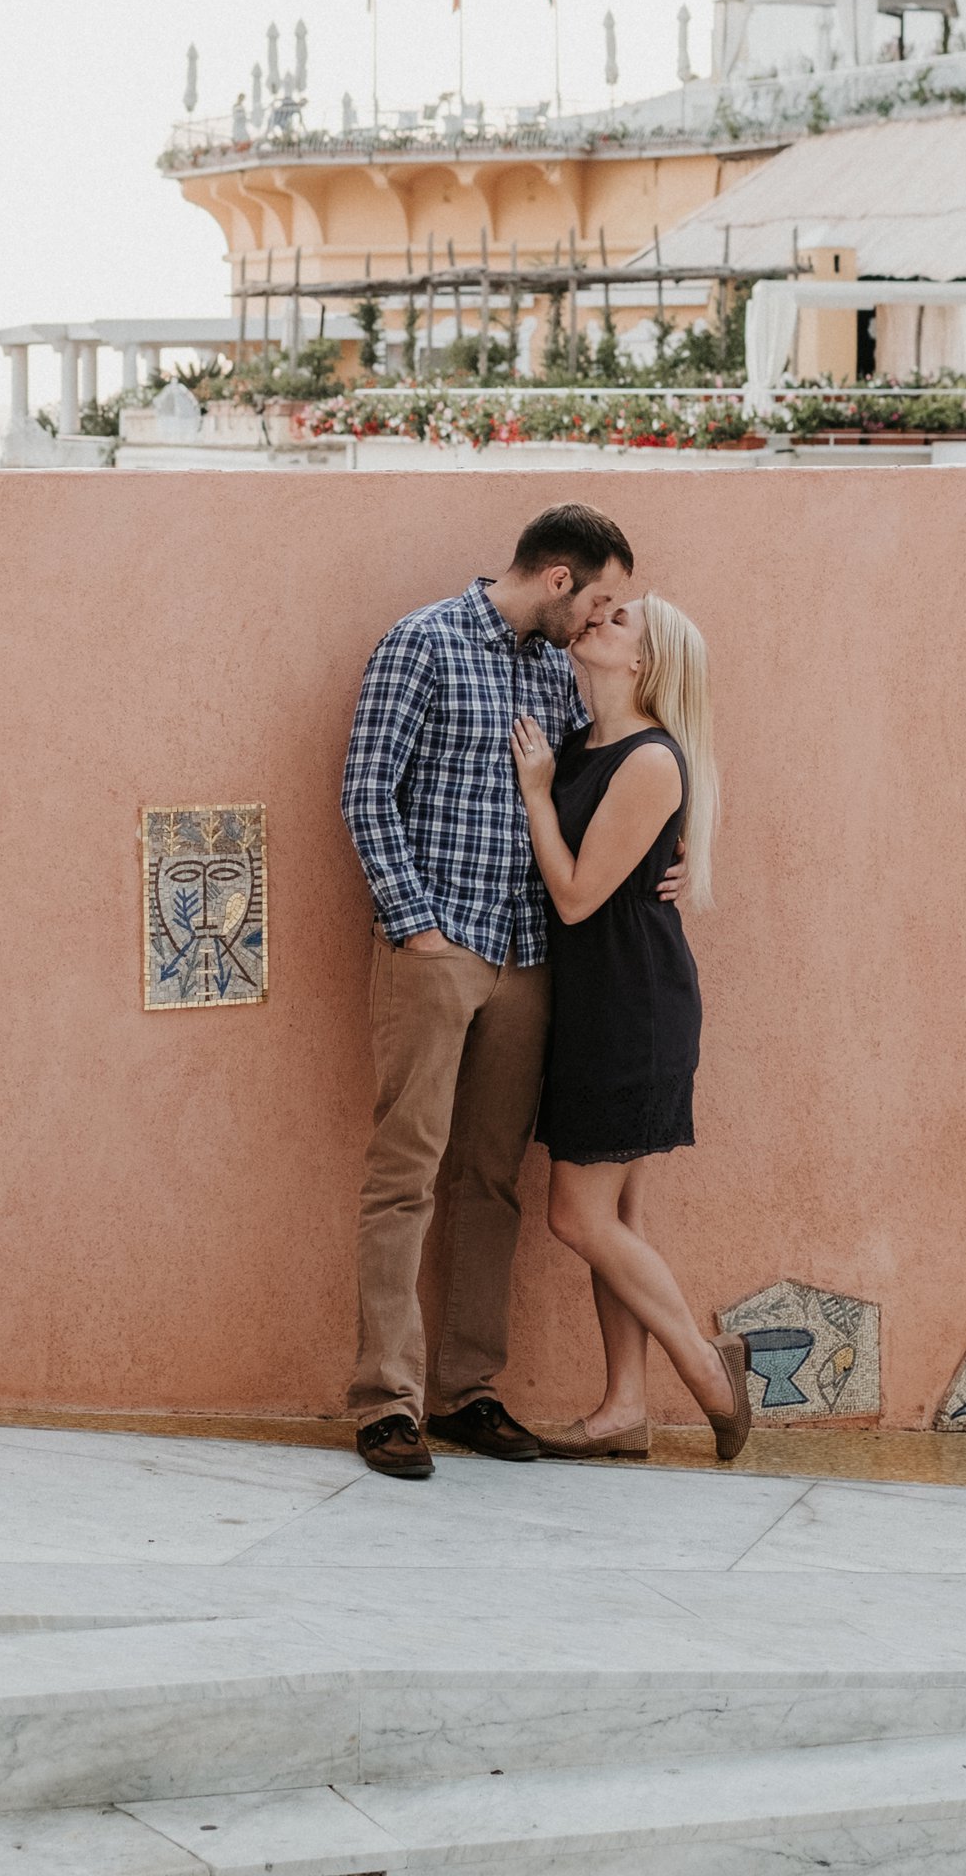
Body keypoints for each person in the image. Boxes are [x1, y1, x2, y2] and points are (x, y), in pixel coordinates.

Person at [340, 503, 636, 1481]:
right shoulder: (421, 643)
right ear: (558, 579)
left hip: (529, 958)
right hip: (438, 948)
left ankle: (468, 1393)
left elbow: (610, 788)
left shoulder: (559, 671)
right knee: (405, 1175)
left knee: (494, 1182)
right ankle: (389, 1404)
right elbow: (365, 788)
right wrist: (414, 926)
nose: (601, 621)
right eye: (598, 600)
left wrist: (665, 866)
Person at [510, 591, 750, 1465]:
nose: (597, 624)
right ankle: (622, 1409)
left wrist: (536, 794)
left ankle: (710, 1371)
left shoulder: (649, 760)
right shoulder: (584, 743)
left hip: (630, 1011)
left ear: (643, 662)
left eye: (619, 624)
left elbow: (575, 897)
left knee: (576, 1217)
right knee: (617, 1222)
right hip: (597, 1003)